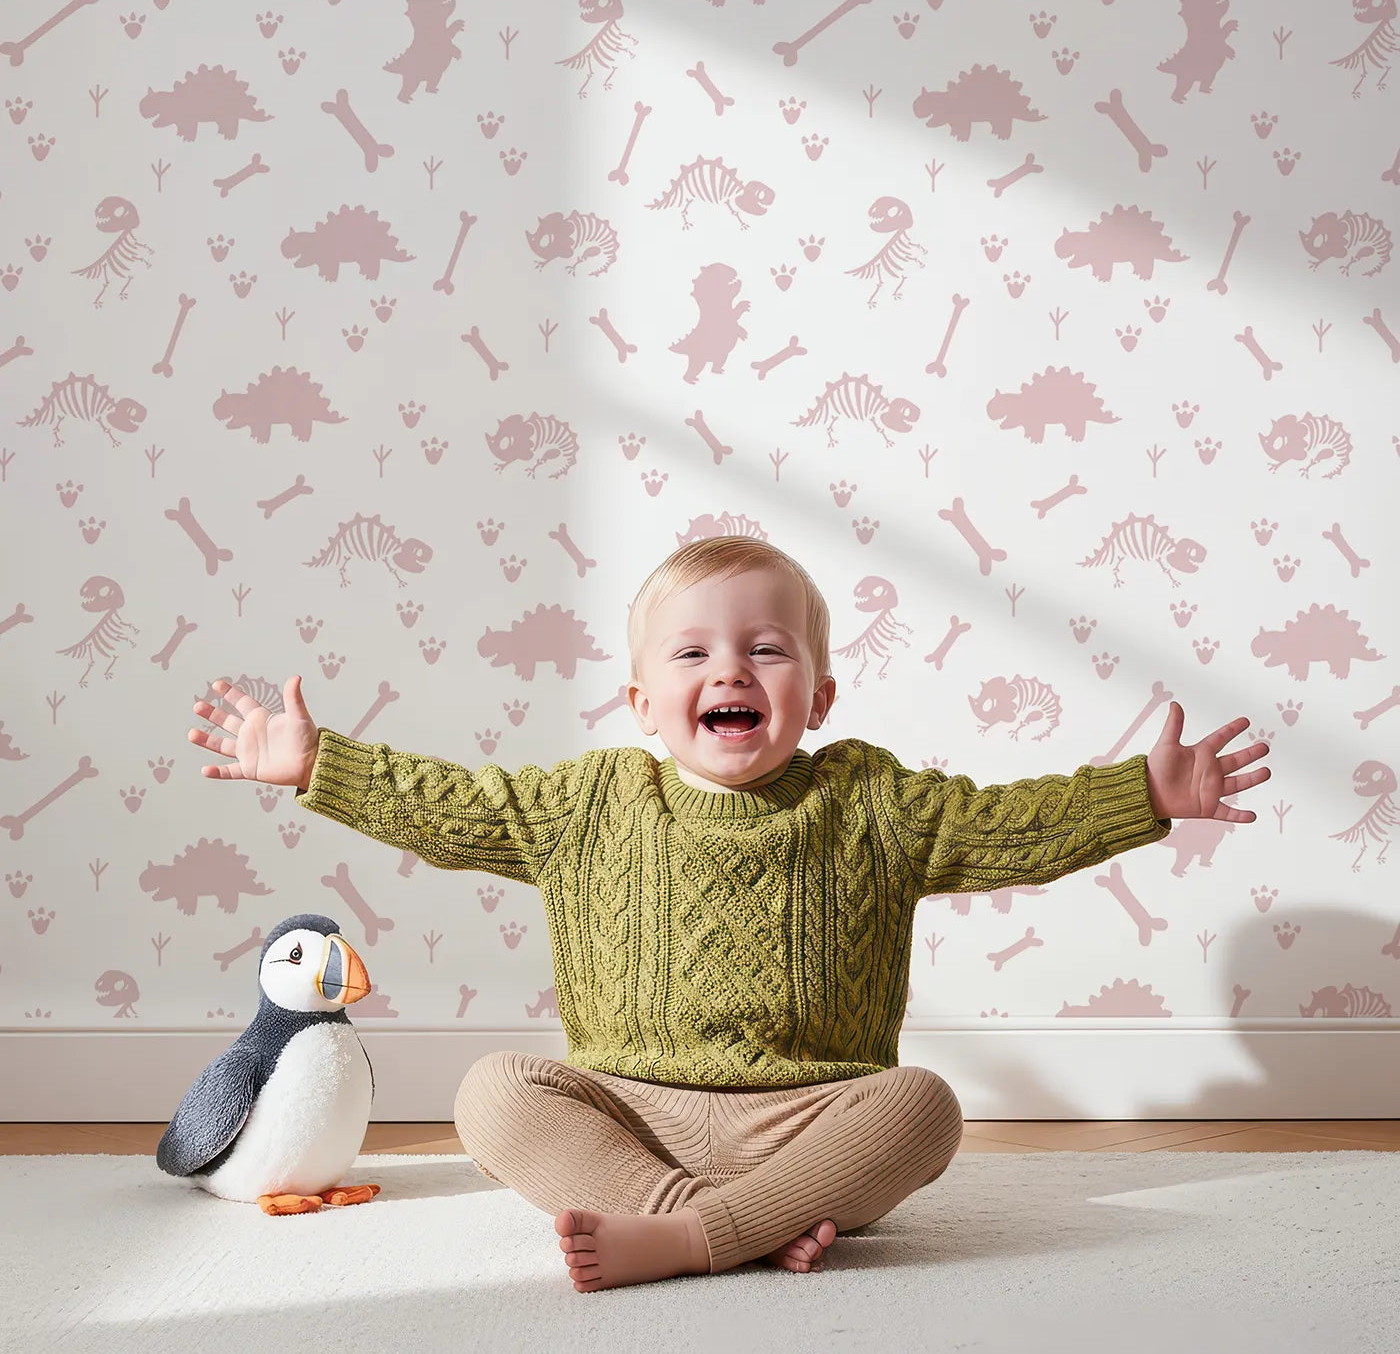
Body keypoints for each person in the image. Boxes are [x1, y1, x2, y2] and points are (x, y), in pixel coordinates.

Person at [188, 536, 1271, 1292]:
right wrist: (318, 762)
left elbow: (1010, 823)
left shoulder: (868, 800)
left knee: (924, 1105)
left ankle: (695, 1233)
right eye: (693, 650)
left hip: (808, 1120)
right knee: (492, 1092)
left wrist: (1143, 794)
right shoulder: (588, 803)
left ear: (819, 694)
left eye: (766, 646)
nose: (731, 667)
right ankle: (719, 1225)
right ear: (642, 702)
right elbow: (449, 805)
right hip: (627, 1111)